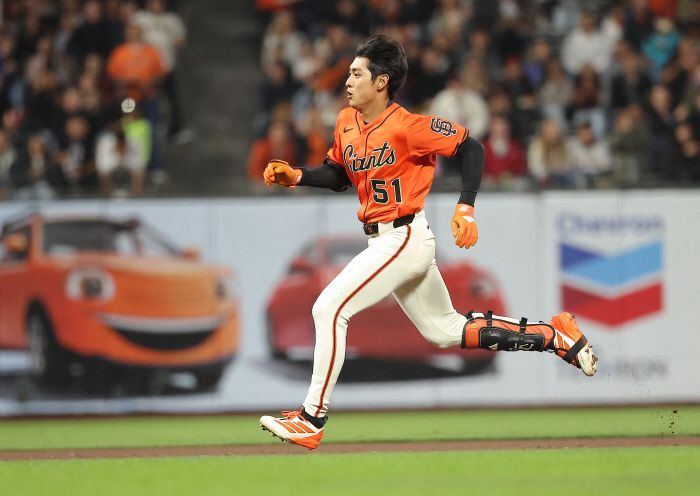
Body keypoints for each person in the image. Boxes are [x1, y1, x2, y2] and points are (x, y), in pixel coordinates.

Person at [259, 35, 598, 450]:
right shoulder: (346, 122)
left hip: (403, 236)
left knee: (328, 308)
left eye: (356, 73)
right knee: (444, 330)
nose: (347, 80)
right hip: (383, 241)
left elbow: (470, 147)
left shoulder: (409, 125)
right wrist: (297, 176)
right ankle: (555, 336)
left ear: (381, 82)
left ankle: (312, 418)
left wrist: (466, 207)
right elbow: (339, 175)